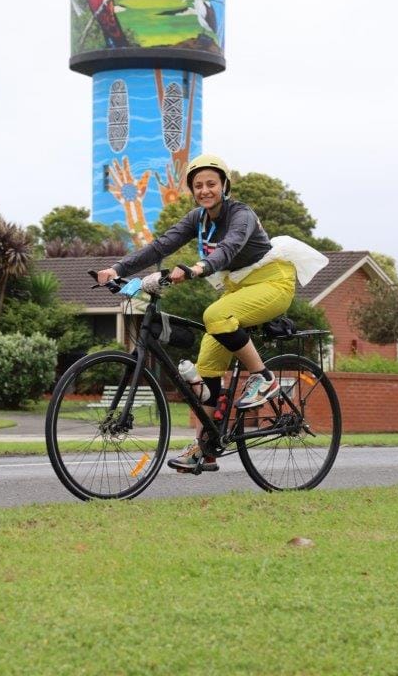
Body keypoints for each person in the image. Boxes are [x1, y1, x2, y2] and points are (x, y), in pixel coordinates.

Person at [97, 153, 296, 472]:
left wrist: (198, 267)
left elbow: (229, 248)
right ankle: (205, 448)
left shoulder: (241, 214)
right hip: (239, 289)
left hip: (273, 283)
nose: (205, 190)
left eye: (211, 184)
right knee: (207, 368)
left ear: (224, 186)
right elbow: (160, 247)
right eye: (198, 185)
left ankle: (264, 378)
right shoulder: (197, 220)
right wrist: (117, 268)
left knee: (215, 315)